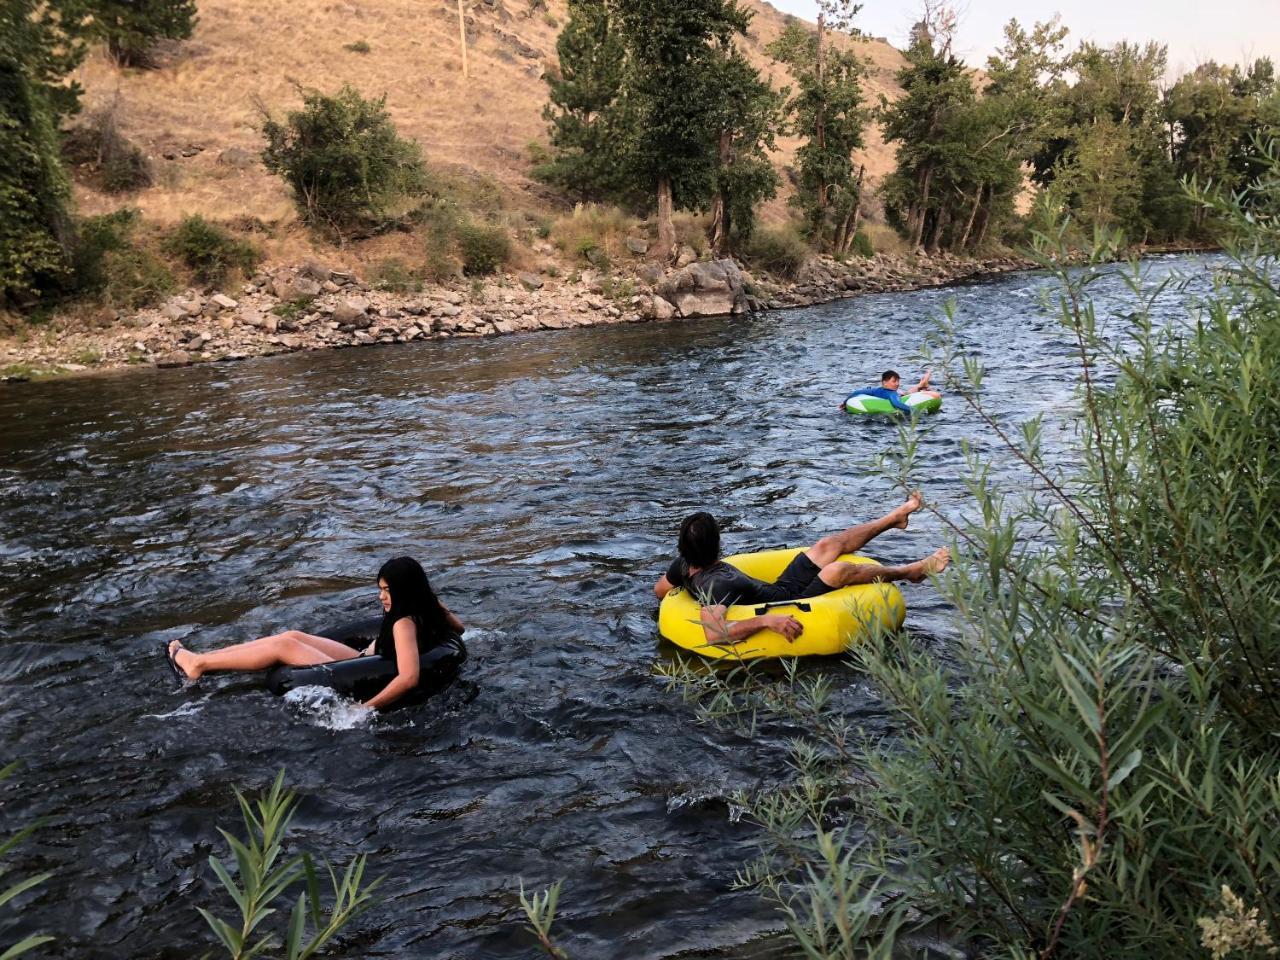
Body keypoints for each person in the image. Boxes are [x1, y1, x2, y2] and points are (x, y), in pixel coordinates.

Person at [163, 557, 465, 710]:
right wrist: (435, 605)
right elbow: (460, 629)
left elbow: (409, 677)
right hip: (365, 658)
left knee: (284, 644)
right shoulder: (428, 607)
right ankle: (201, 659)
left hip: (366, 673)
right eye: (380, 590)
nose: (382, 597)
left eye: (387, 591)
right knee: (292, 635)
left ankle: (198, 663)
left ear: (405, 591)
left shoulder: (403, 623)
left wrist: (365, 709)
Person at [653, 492, 950, 646]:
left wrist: (683, 595)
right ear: (716, 543)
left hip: (780, 587)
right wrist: (766, 622)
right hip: (787, 601)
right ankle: (912, 571)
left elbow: (660, 591)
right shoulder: (714, 585)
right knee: (838, 570)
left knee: (827, 546)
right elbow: (715, 635)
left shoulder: (682, 566)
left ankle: (894, 518)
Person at [844, 369, 942, 412]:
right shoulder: (892, 394)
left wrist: (844, 403)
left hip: (899, 395)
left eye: (898, 381)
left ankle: (922, 384)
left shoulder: (876, 390)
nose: (897, 384)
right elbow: (896, 404)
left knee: (904, 393)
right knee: (904, 394)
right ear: (884, 382)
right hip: (897, 397)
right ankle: (922, 384)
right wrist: (915, 411)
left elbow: (857, 392)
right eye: (894, 381)